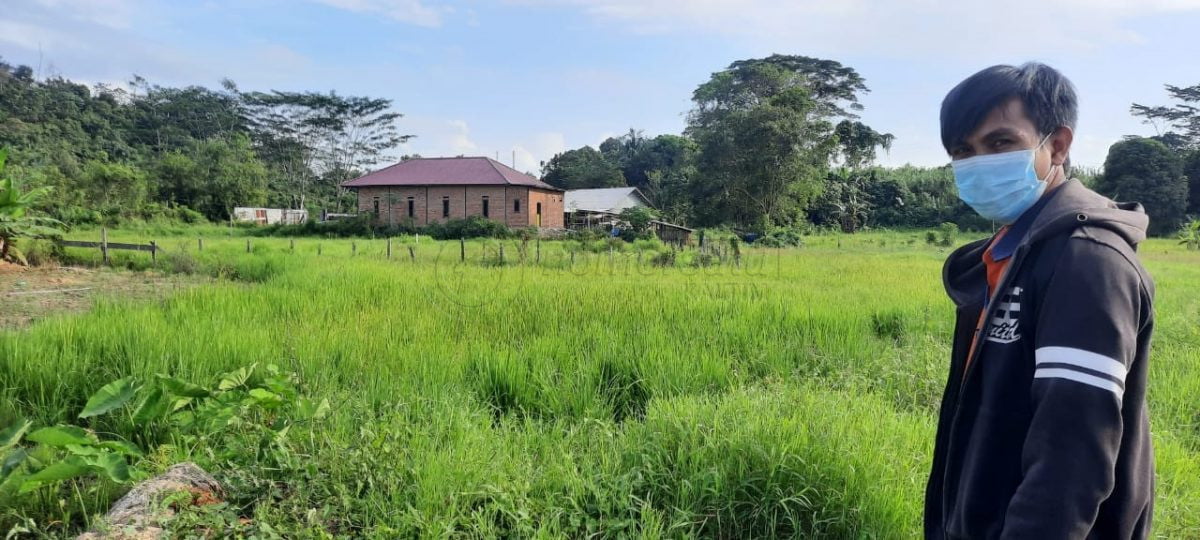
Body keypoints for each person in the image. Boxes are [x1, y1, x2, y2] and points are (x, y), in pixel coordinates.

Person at [924, 63, 1156, 539]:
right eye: (963, 151)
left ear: (1058, 144)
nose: (979, 162)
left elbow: (1071, 460)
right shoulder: (1010, 252)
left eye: (1001, 143)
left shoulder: (1086, 260)